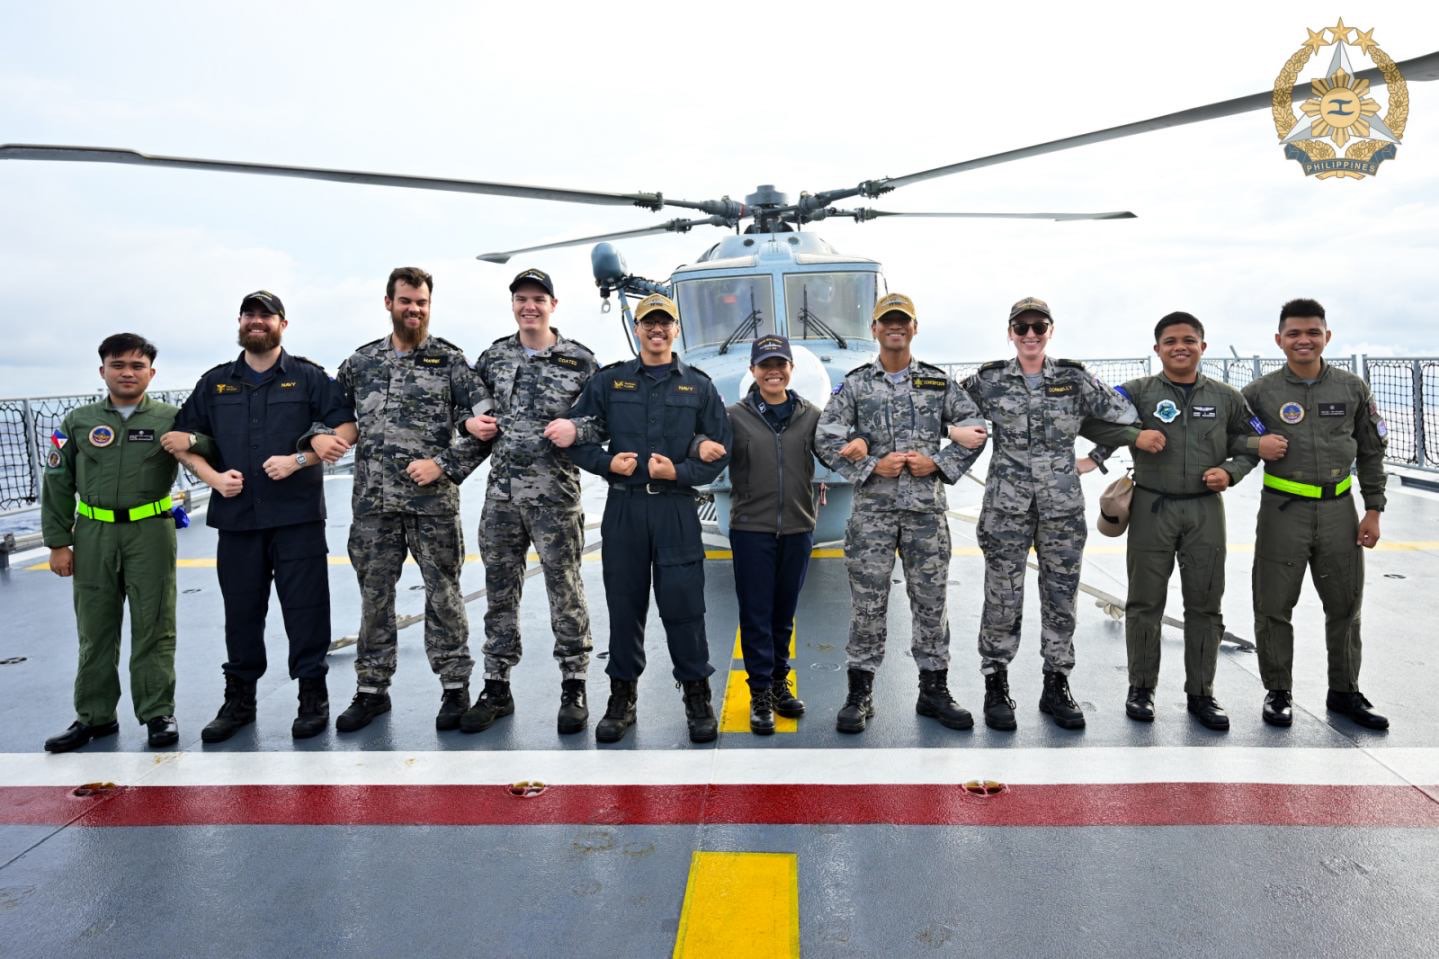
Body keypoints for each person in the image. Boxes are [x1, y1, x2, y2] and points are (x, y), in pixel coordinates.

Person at [163, 291, 356, 742]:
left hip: (297, 517)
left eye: (265, 315)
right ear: (240, 322)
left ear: (281, 325)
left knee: (307, 611)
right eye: (249, 314)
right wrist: (212, 479)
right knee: (241, 612)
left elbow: (346, 426)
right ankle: (240, 699)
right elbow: (180, 439)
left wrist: (301, 458)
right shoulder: (214, 384)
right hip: (236, 518)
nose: (256, 321)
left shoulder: (309, 378)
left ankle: (312, 695)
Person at [957, 296, 1138, 731]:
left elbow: (1124, 414)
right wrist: (956, 431)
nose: (1031, 334)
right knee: (1002, 597)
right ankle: (995, 683)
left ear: (1050, 331)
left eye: (1039, 326)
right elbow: (946, 408)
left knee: (1061, 597)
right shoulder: (989, 380)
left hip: (1061, 507)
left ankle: (1056, 683)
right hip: (1007, 506)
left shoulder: (1073, 379)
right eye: (1023, 327)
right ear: (1011, 333)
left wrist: (1096, 457)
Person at [557, 293, 732, 744]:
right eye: (648, 323)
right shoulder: (610, 382)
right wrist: (604, 463)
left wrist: (681, 471)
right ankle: (622, 698)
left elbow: (719, 448)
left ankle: (697, 697)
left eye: (665, 323)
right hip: (626, 507)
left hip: (675, 508)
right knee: (625, 606)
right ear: (637, 329)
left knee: (684, 608)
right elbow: (576, 433)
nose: (657, 330)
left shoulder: (699, 385)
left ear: (676, 330)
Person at [814, 293, 987, 734]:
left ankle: (933, 690)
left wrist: (940, 464)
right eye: (886, 321)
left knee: (931, 602)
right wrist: (871, 465)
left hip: (925, 511)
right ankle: (860, 692)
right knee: (867, 603)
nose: (895, 327)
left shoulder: (937, 383)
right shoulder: (855, 384)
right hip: (872, 512)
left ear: (914, 328)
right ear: (874, 329)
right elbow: (825, 436)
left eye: (903, 321)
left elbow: (976, 430)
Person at [332, 266, 492, 733]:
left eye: (421, 302)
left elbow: (486, 424)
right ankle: (371, 691)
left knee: (443, 595)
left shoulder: (451, 362)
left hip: (432, 504)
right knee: (373, 598)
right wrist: (317, 441)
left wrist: (444, 463)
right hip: (373, 506)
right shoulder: (360, 364)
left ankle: (455, 688)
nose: (414, 309)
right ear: (389, 303)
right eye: (406, 301)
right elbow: (331, 415)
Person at [1083, 312, 1261, 730]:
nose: (1180, 347)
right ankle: (1141, 689)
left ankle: (1202, 693)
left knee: (1205, 602)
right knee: (1145, 601)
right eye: (1170, 341)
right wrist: (1134, 437)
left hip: (1204, 510)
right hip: (1151, 506)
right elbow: (1092, 420)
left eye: (1189, 340)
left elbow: (1252, 440)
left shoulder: (1226, 397)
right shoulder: (1136, 393)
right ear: (1157, 348)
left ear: (1203, 346)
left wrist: (1232, 471)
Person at [458, 268, 599, 735]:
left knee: (566, 590)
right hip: (501, 498)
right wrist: (467, 427)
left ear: (553, 305)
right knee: (499, 593)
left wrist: (578, 429)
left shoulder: (579, 361)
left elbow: (604, 421)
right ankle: (496, 686)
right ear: (513, 304)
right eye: (521, 298)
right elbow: (467, 408)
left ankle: (574, 684)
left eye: (538, 298)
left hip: (556, 498)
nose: (529, 306)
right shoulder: (494, 357)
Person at [1242, 298, 1389, 729]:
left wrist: (1374, 509)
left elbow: (1371, 450)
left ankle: (1344, 691)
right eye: (1294, 333)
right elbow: (1232, 441)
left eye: (1312, 332)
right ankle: (1278, 692)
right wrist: (1255, 446)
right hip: (1282, 510)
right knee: (1273, 604)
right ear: (1279, 340)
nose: (1303, 340)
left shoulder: (1351, 388)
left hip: (1339, 509)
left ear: (1327, 336)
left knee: (1345, 604)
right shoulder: (1260, 393)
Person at [42, 334, 186, 752]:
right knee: (95, 629)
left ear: (151, 373)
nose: (127, 372)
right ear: (102, 370)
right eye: (118, 364)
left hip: (150, 533)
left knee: (155, 624)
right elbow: (57, 480)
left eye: (137, 366)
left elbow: (207, 451)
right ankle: (94, 716)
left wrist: (193, 440)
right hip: (93, 535)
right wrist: (57, 542)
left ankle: (157, 713)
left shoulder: (171, 418)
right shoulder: (75, 422)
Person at [722, 334, 820, 734]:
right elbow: (708, 450)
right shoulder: (734, 417)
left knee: (783, 615)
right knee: (756, 614)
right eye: (765, 365)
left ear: (791, 369)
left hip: (797, 527)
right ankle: (759, 691)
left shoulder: (810, 415)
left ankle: (780, 683)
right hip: (751, 529)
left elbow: (836, 449)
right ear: (753, 371)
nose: (773, 371)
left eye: (780, 364)